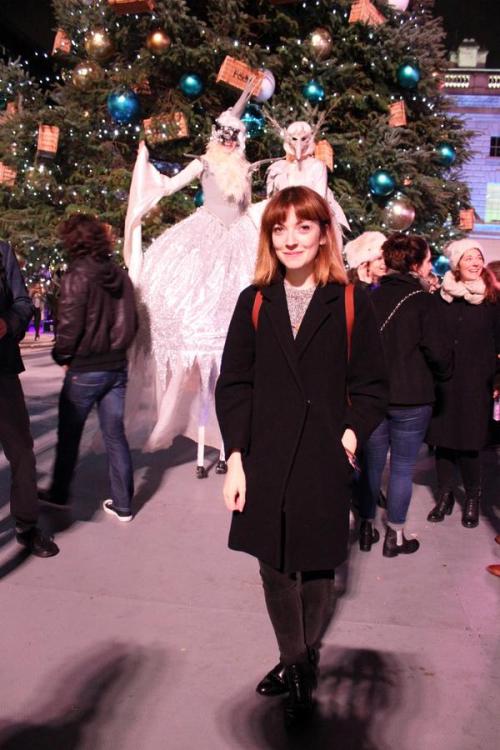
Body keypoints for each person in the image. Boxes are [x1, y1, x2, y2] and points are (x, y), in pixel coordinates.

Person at [215, 186, 387, 726]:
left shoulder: (352, 299)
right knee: (273, 566)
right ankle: (296, 663)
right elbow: (235, 384)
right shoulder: (255, 299)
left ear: (322, 234)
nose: (291, 238)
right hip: (264, 455)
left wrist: (352, 434)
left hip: (323, 455)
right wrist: (236, 457)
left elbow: (373, 385)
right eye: (280, 228)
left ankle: (300, 661)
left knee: (316, 566)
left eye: (303, 227)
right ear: (270, 236)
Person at [123, 82, 262, 476]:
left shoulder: (245, 170)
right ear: (217, 136)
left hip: (241, 248)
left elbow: (248, 209)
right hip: (203, 246)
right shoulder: (203, 164)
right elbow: (169, 186)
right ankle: (205, 441)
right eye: (225, 135)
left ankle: (226, 444)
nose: (231, 141)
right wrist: (147, 169)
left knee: (232, 355)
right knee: (199, 342)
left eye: (236, 136)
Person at [38, 215, 138, 522]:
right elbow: (133, 322)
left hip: (85, 369)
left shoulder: (76, 276)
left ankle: (58, 494)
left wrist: (63, 357)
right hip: (117, 368)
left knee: (70, 435)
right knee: (115, 436)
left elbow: (69, 327)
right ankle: (123, 505)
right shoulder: (121, 276)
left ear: (74, 240)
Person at [358, 233, 452, 556]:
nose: (430, 267)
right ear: (414, 264)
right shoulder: (425, 302)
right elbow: (439, 353)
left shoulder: (369, 296)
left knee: (371, 465)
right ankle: (394, 536)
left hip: (372, 396)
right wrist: (443, 375)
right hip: (413, 397)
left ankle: (366, 527)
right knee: (400, 468)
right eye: (427, 261)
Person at [427, 239, 499, 528]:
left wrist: (497, 379)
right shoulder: (441, 298)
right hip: (443, 383)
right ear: (456, 264)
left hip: (477, 383)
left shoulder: (492, 301)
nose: (474, 263)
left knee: (470, 443)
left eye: (478, 258)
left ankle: (472, 497)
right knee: (443, 441)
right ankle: (444, 495)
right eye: (468, 258)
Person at [0, 240, 58, 557]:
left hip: (2, 373)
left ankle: (26, 526)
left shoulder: (3, 251)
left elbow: (23, 303)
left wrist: (7, 323)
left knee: (22, 452)